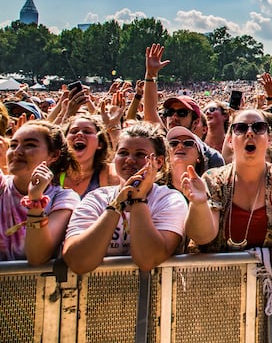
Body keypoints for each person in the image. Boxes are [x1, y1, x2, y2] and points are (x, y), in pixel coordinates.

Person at [63, 123, 188, 274]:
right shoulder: (96, 198)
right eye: (123, 153)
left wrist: (138, 199)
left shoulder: (169, 200)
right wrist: (115, 206)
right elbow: (78, 262)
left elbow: (147, 260)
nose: (129, 160)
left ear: (159, 162)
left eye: (140, 154)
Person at [183, 110, 272, 252]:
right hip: (221, 273)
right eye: (241, 128)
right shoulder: (213, 179)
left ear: (269, 139)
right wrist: (199, 204)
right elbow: (202, 237)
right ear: (230, 140)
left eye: (259, 128)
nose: (250, 133)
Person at [1, 121, 80, 264]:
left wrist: (35, 200)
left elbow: (38, 257)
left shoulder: (63, 199)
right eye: (13, 145)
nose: (17, 151)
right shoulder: (2, 187)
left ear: (54, 155)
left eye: (30, 145)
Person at [142, 43, 224, 170]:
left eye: (182, 113)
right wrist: (150, 75)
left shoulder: (212, 158)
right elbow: (150, 111)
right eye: (169, 112)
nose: (174, 116)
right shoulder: (162, 143)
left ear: (196, 122)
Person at [61, 115, 120, 197]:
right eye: (74, 131)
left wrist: (113, 128)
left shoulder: (110, 174)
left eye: (87, 132)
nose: (79, 134)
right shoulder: (54, 174)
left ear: (100, 144)